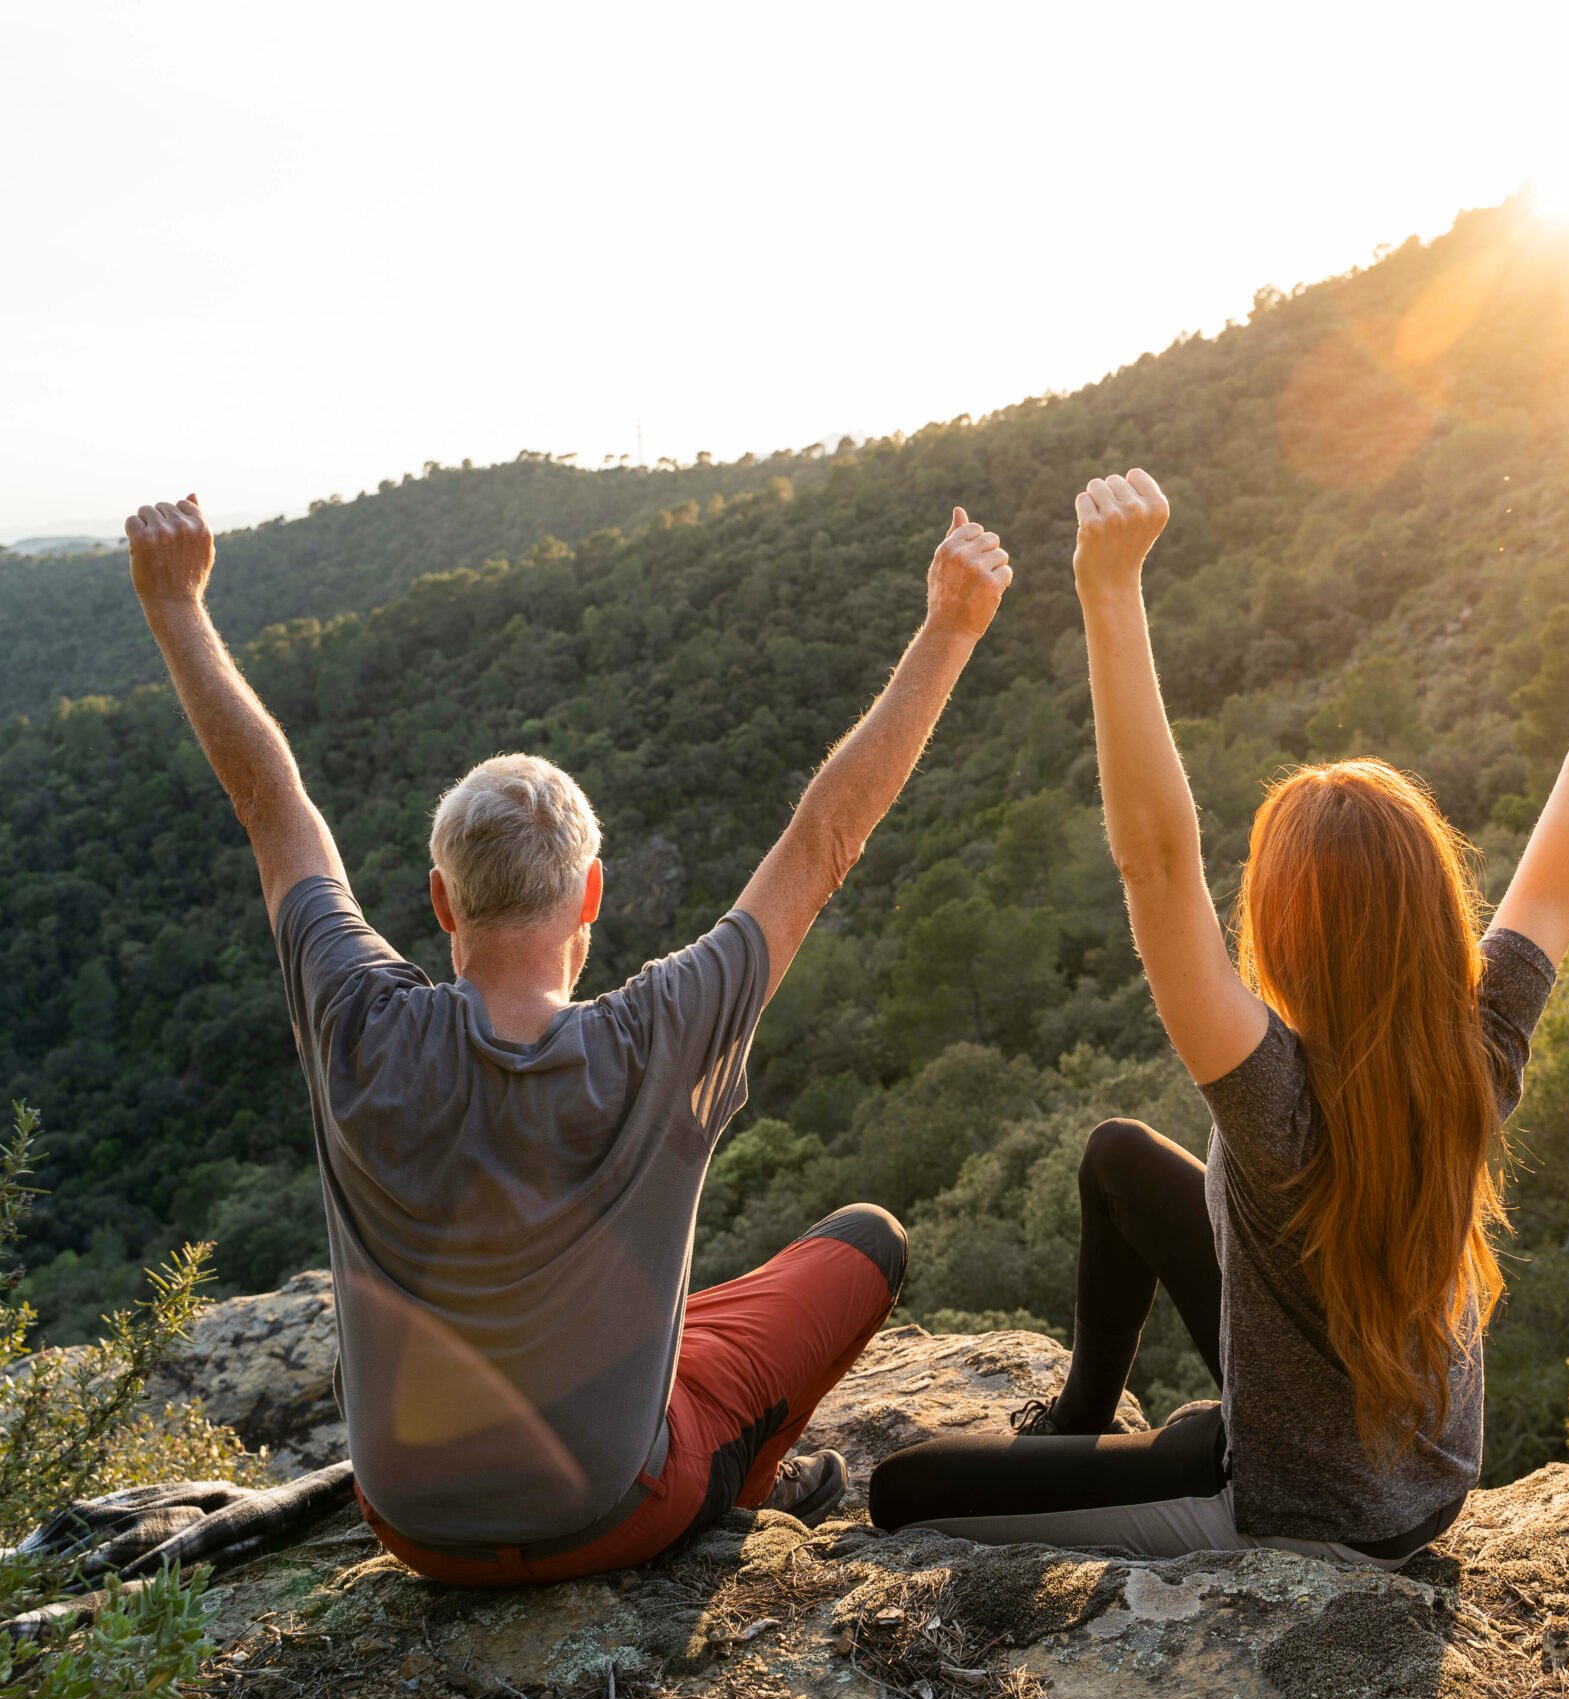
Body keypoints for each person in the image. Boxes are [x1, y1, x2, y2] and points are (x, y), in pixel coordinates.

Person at [868, 447, 1569, 1563]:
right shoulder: (1478, 1036)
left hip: (1293, 1505)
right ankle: (1082, 1421)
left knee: (900, 1492)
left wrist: (1111, 588)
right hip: (1422, 1478)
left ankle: (1137, 1460)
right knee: (1117, 1160)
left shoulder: (1272, 1096)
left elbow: (1154, 862)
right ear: (1433, 905)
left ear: (1284, 927)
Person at [122, 491, 1014, 1586]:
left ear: (442, 903)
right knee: (864, 1243)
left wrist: (176, 608)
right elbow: (825, 838)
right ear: (591, 894)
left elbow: (271, 802)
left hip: (408, 1523)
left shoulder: (352, 1016)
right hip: (614, 1514)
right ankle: (741, 1492)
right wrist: (951, 625)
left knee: (689, 1323)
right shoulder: (662, 1032)